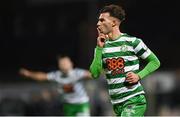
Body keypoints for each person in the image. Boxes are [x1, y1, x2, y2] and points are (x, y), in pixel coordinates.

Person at [90, 4, 160, 116]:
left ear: (114, 23)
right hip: (116, 104)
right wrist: (99, 48)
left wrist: (139, 75)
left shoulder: (133, 42)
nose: (98, 24)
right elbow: (94, 74)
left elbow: (155, 62)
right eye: (98, 20)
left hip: (134, 100)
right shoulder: (101, 47)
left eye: (102, 20)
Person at [20, 55, 91, 116]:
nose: (64, 65)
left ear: (71, 64)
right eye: (62, 63)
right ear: (59, 65)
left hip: (81, 104)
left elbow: (91, 75)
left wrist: (98, 71)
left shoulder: (77, 73)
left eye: (65, 63)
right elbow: (42, 76)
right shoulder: (57, 75)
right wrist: (29, 74)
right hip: (68, 104)